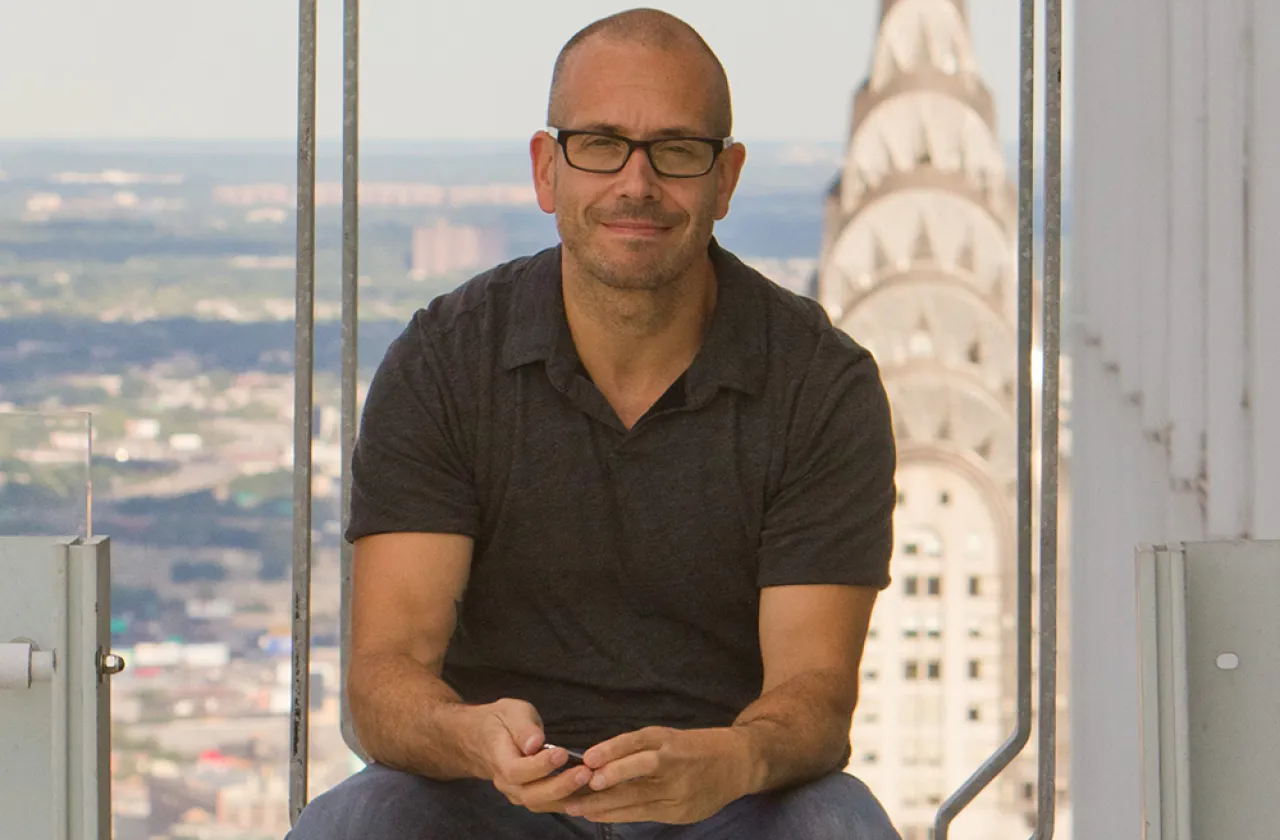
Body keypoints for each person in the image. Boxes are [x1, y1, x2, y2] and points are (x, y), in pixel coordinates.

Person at [287, 7, 900, 840]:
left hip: (727, 798)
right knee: (354, 824)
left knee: (839, 826)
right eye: (601, 144)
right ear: (547, 170)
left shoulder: (818, 382)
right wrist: (473, 737)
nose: (636, 184)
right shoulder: (447, 360)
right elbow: (385, 678)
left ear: (726, 179)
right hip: (493, 795)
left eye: (677, 150)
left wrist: (731, 759)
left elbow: (817, 694)